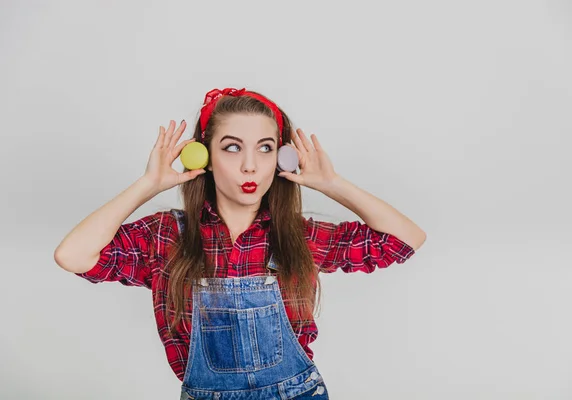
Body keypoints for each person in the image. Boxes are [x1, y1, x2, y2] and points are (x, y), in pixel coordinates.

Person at [54, 87, 427, 399]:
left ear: (281, 159)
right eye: (232, 148)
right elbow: (72, 255)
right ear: (206, 157)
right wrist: (146, 185)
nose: (250, 166)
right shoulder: (166, 236)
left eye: (265, 148)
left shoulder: (298, 236)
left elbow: (406, 239)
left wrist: (334, 185)